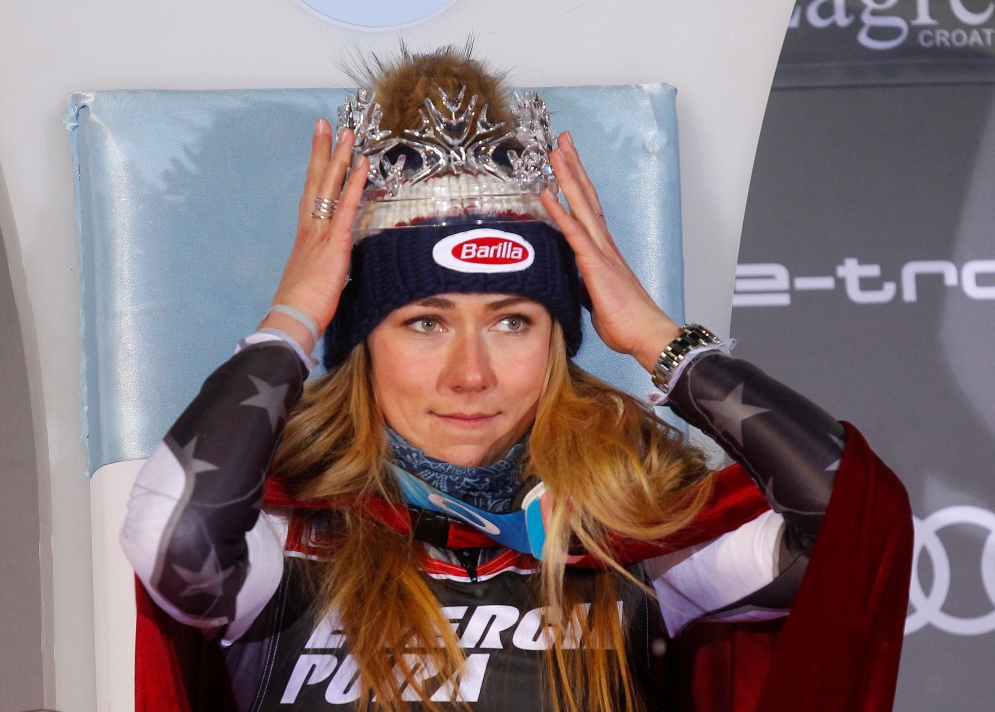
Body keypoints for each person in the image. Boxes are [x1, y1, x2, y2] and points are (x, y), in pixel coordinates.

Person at [121, 48, 912, 712]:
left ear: (560, 342)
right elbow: (172, 538)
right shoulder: (279, 545)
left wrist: (663, 342)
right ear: (359, 341)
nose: (471, 374)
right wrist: (294, 316)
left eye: (513, 321)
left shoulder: (633, 548)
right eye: (424, 322)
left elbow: (853, 528)